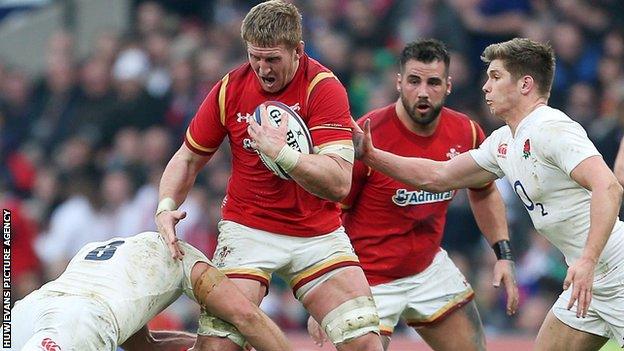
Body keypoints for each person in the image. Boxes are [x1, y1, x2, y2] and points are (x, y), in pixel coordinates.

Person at [355, 37, 624, 350]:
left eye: (496, 77)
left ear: (525, 84)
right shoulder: (502, 142)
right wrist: (372, 155)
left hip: (613, 269)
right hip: (588, 279)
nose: (485, 87)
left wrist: (588, 260)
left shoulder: (551, 128)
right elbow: (438, 176)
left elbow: (608, 186)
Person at [155, 1, 382, 350]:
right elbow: (187, 158)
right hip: (249, 230)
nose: (262, 68)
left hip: (316, 234)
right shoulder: (230, 89)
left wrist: (282, 154)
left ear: (298, 50)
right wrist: (166, 205)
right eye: (254, 57)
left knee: (365, 341)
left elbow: (339, 182)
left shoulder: (322, 88)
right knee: (218, 347)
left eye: (272, 59)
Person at [307, 39, 519, 351]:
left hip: (428, 268)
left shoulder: (467, 132)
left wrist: (503, 255)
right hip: (368, 279)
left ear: (448, 86)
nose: (423, 92)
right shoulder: (365, 137)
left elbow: (484, 191)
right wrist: (326, 289)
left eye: (433, 82)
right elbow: (327, 215)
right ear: (399, 83)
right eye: (414, 81)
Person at [12, 231, 292, 351]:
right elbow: (248, 317)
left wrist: (194, 343)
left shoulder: (119, 258)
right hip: (82, 322)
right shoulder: (186, 258)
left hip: (26, 312)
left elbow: (146, 347)